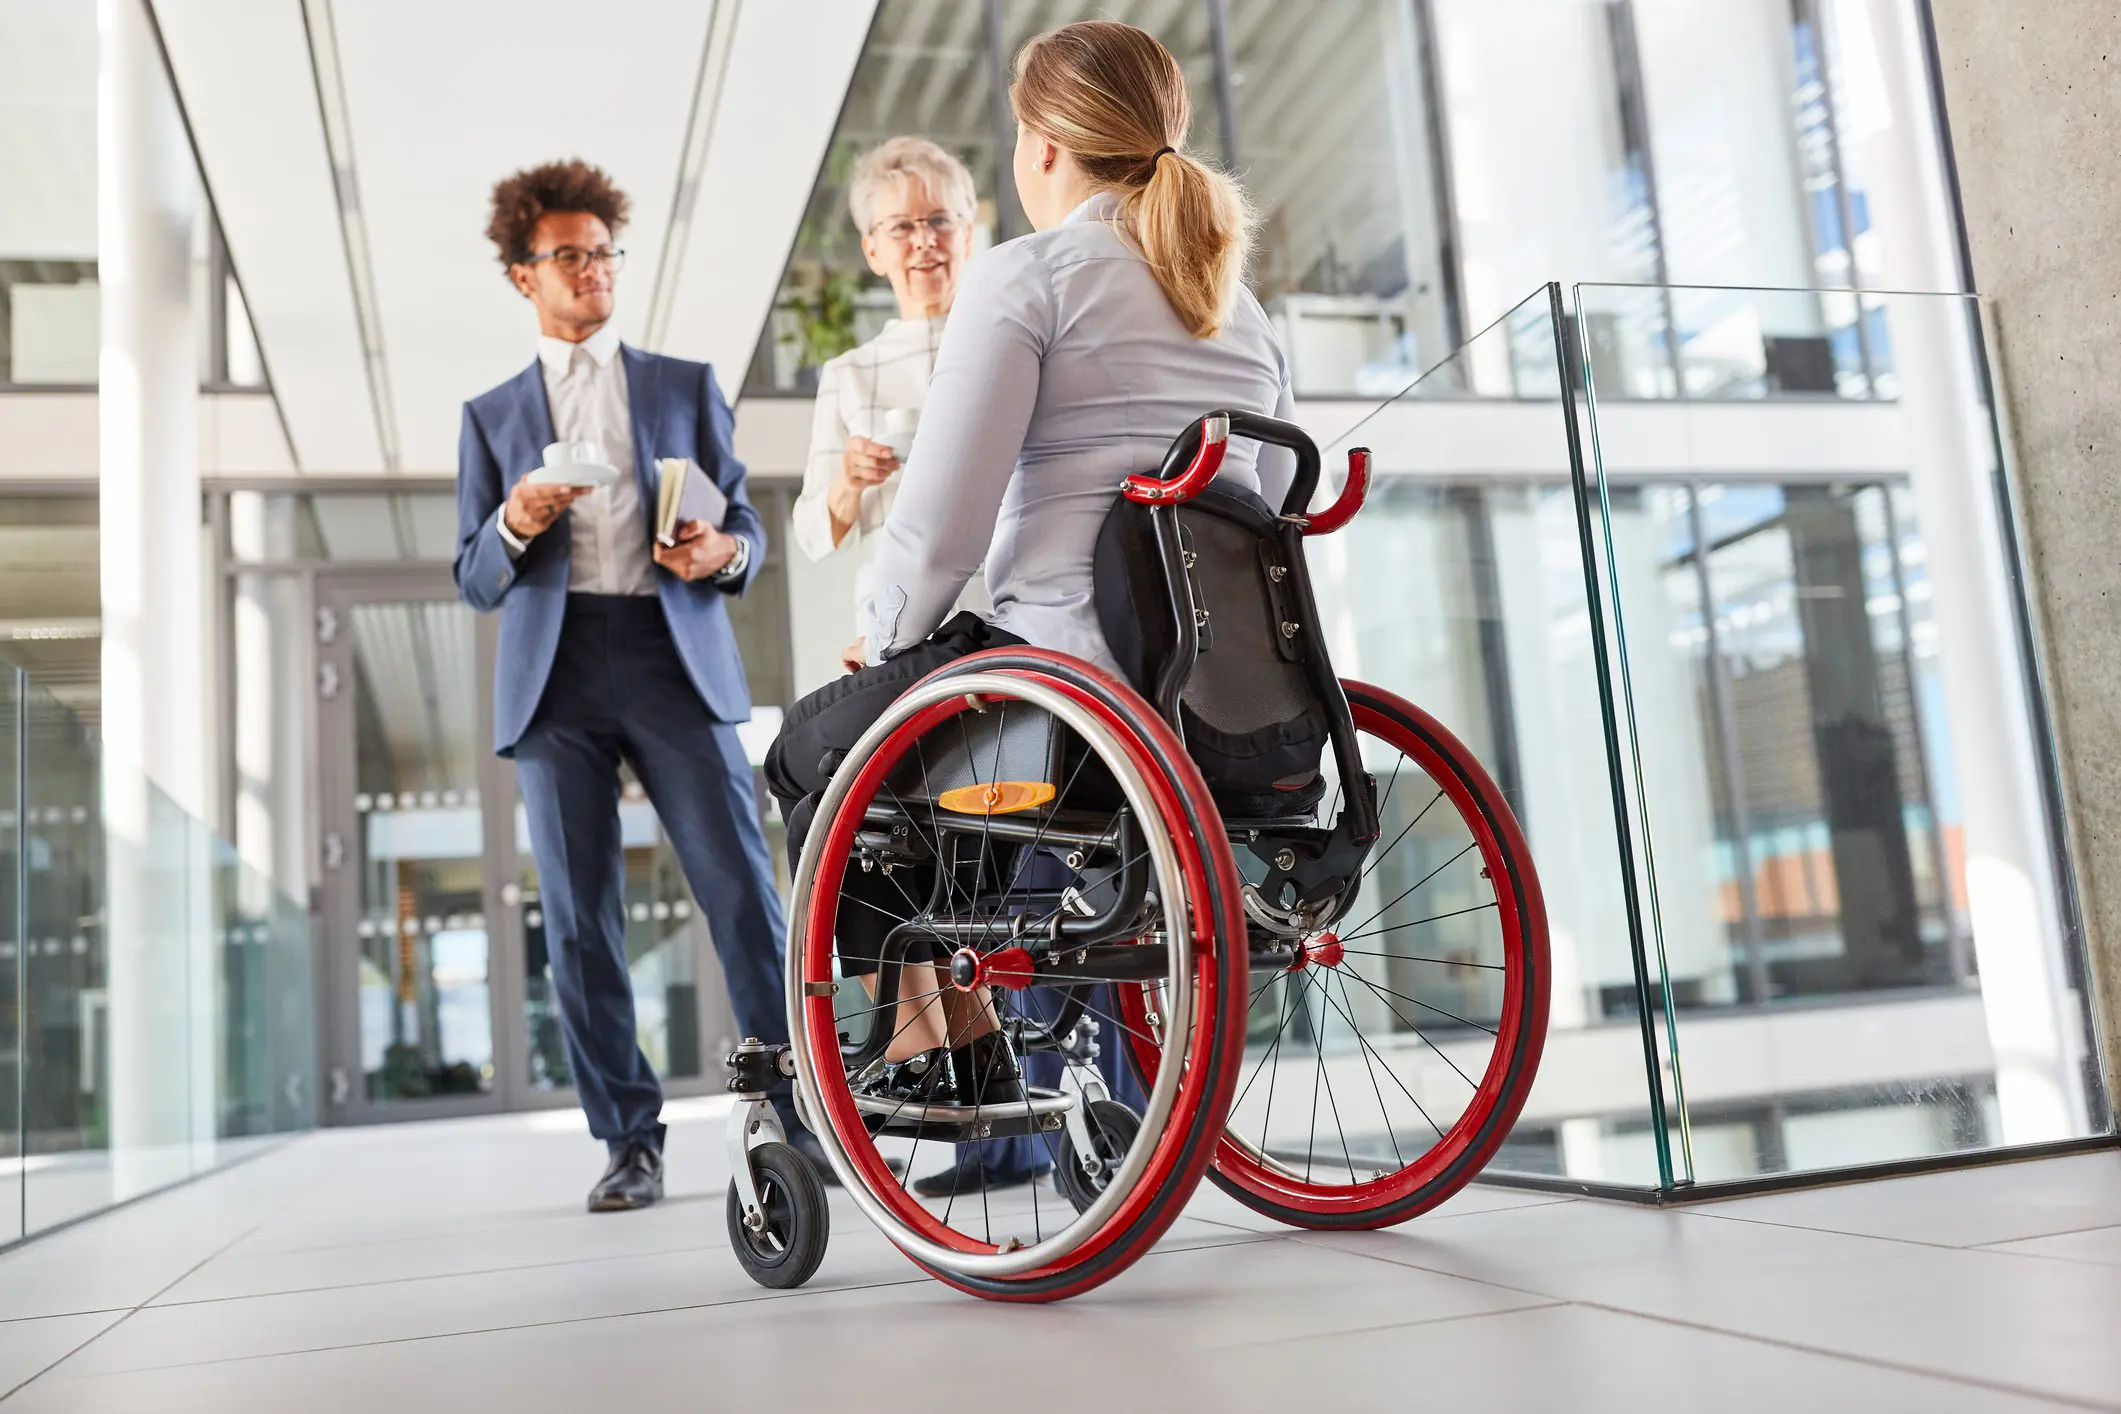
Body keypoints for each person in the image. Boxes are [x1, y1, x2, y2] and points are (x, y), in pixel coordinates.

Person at [763, 20, 1295, 1198]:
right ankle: (962, 1039)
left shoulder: (1028, 276)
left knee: (810, 751)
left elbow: (943, 528)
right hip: (1216, 702)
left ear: (1044, 144)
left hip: (1061, 687)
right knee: (901, 731)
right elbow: (1250, 519)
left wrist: (883, 642)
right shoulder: (1236, 304)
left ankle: (932, 1037)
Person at [454, 159, 796, 1213]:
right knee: (579, 919)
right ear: (524, 275)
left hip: (668, 647)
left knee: (741, 885)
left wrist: (717, 556)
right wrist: (515, 519)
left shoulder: (685, 385)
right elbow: (472, 573)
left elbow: (750, 532)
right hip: (553, 674)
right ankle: (629, 1141)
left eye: (604, 253)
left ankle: (798, 1104)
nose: (594, 270)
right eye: (570, 256)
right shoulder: (490, 415)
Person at [790, 137, 985, 629]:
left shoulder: (1007, 342)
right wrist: (849, 481)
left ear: (966, 236)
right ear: (873, 250)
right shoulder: (848, 374)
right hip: (896, 620)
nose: (924, 241)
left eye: (940, 220)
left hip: (1003, 603)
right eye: (901, 226)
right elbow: (814, 537)